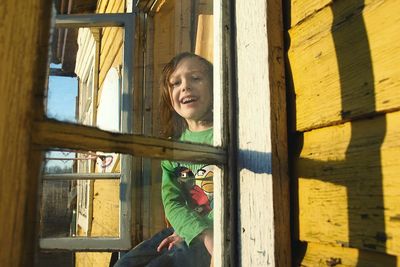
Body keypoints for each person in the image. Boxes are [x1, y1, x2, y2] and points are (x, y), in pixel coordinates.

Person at [114, 52, 214, 267]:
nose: (185, 87)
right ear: (169, 98)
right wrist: (192, 230)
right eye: (175, 83)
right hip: (189, 227)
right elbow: (173, 203)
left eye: (195, 78)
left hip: (217, 232)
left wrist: (202, 234)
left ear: (214, 86)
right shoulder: (172, 150)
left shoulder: (227, 135)